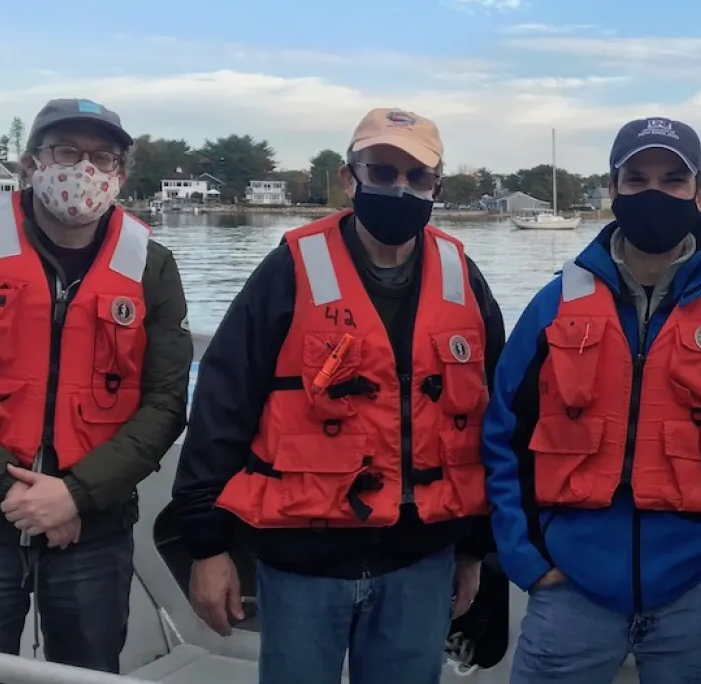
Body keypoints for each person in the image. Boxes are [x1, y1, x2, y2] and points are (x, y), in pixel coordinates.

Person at [484, 117, 701, 684]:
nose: (654, 193)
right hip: (569, 589)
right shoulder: (556, 304)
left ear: (700, 193)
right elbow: (502, 439)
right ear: (612, 190)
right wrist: (526, 560)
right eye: (636, 179)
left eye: (672, 179)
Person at [171, 108, 505, 684]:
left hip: (421, 562)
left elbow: (491, 420)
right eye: (381, 171)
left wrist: (476, 549)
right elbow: (222, 405)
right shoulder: (289, 270)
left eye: (416, 176)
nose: (399, 188)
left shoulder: (464, 277)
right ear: (349, 179)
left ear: (436, 187)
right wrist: (207, 546)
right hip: (303, 560)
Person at [0, 98, 192, 680]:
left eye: (103, 157)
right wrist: (23, 495)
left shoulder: (151, 265)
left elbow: (166, 405)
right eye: (66, 152)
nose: (85, 170)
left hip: (95, 530)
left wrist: (75, 494)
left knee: (89, 671)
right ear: (31, 162)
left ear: (121, 174)